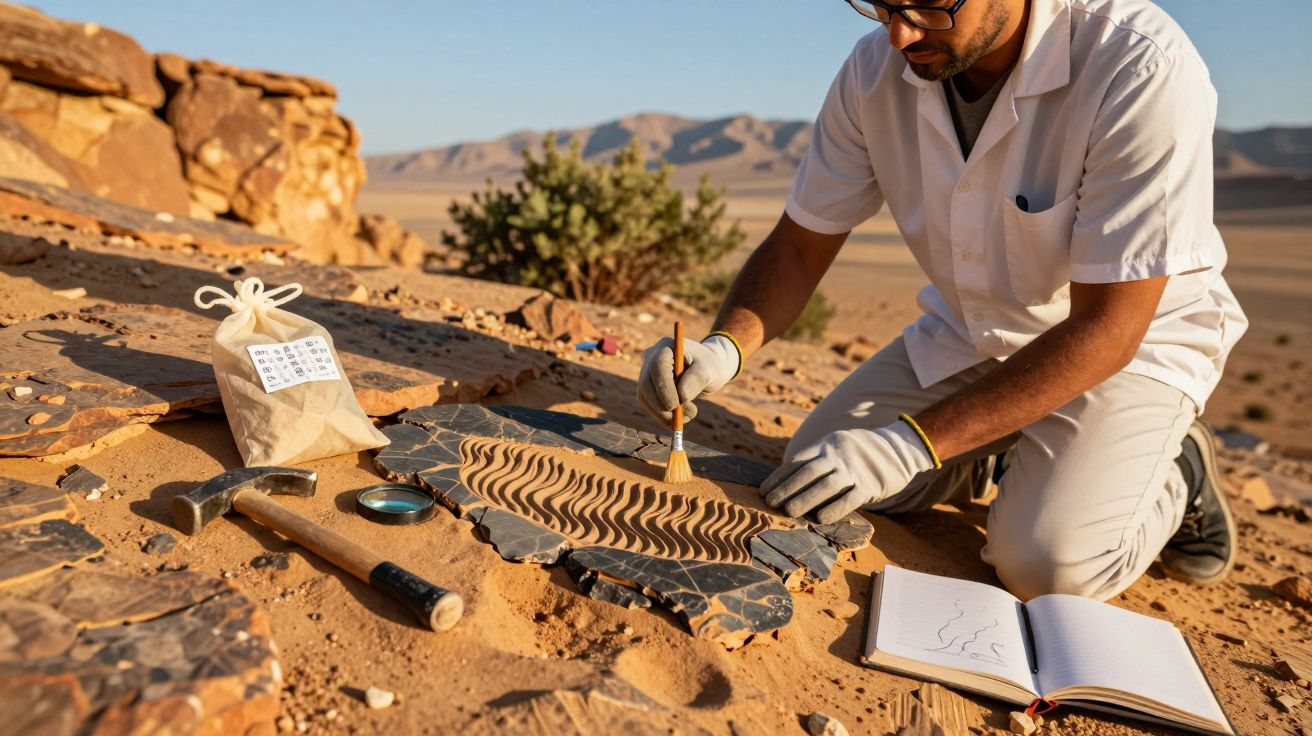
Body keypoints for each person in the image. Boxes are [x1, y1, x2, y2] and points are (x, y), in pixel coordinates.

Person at [638, 0, 1247, 602]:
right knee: (814, 472)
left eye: (930, 6)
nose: (900, 35)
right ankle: (998, 449)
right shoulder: (874, 70)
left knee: (1045, 565)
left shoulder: (1138, 65)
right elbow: (799, 245)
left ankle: (1177, 473)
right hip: (979, 331)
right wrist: (725, 347)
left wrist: (909, 444)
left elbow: (1110, 327)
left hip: (1129, 344)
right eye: (881, 5)